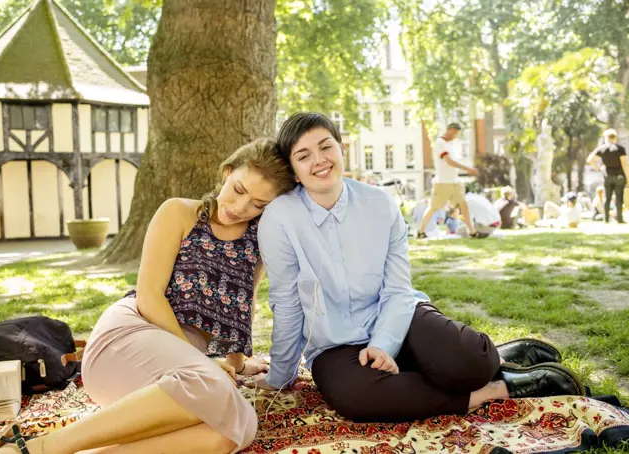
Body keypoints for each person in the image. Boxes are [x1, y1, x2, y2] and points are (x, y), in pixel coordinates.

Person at [248, 112, 584, 424]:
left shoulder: (380, 205)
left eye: (326, 147)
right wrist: (281, 374)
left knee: (471, 363)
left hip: (397, 315)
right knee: (357, 397)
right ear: (293, 170)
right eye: (303, 155)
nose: (319, 160)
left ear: (342, 149)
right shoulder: (280, 218)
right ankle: (496, 389)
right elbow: (287, 301)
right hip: (334, 345)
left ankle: (494, 356)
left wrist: (383, 344)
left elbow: (397, 290)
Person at [0, 139, 296, 454]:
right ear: (227, 173)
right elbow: (149, 296)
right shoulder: (180, 212)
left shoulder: (256, 242)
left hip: (182, 373)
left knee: (237, 429)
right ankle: (38, 447)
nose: (241, 207)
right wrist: (202, 361)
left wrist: (238, 364)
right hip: (131, 336)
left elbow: (242, 308)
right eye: (239, 190)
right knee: (212, 386)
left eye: (258, 204)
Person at [417, 123, 486, 239]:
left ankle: (472, 231)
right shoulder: (440, 144)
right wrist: (468, 169)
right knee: (433, 207)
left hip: (455, 182)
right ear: (451, 130)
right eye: (455, 134)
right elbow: (449, 161)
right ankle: (420, 231)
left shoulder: (450, 146)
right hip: (443, 182)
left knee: (464, 205)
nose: (456, 137)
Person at [587, 128, 629, 223]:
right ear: (615, 137)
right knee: (619, 197)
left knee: (607, 198)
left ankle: (606, 219)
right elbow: (625, 164)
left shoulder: (602, 148)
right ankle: (619, 219)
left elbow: (590, 160)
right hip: (620, 176)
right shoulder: (620, 149)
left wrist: (598, 168)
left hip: (607, 176)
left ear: (606, 137)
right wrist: (628, 177)